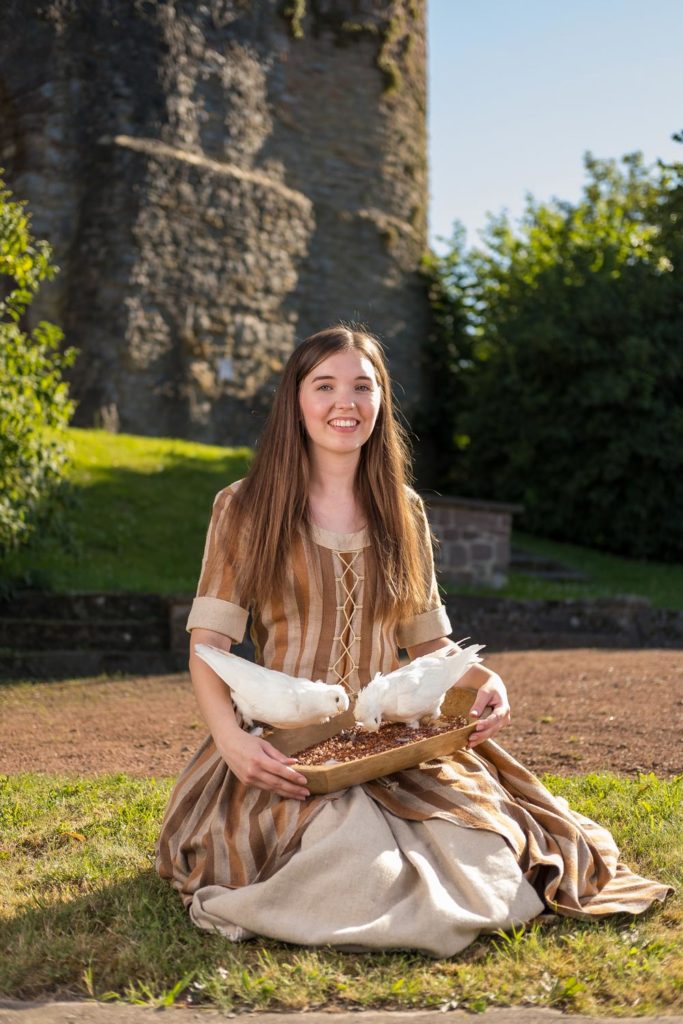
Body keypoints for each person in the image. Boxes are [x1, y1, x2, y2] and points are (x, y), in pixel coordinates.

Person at [156, 324, 671, 956]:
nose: (345, 402)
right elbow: (209, 646)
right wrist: (234, 744)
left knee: (485, 852)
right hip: (282, 749)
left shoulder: (403, 511)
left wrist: (486, 681)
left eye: (362, 386)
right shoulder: (243, 507)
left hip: (395, 740)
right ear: (295, 400)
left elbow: (431, 650)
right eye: (325, 386)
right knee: (348, 858)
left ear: (380, 400)